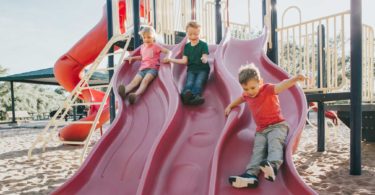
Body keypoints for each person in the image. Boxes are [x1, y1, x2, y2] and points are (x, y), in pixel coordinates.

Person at [224, 63, 306, 188]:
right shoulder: (246, 95)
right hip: (261, 130)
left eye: (252, 87)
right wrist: (231, 105)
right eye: (246, 89)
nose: (250, 92)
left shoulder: (268, 89)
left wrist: (294, 79)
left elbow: (282, 85)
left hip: (278, 125)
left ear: (260, 82)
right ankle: (251, 175)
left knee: (275, 143)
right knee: (258, 151)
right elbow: (241, 99)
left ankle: (272, 166)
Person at [118, 26, 171, 104]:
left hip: (152, 69)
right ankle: (124, 91)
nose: (146, 39)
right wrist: (133, 58)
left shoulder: (156, 46)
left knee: (145, 81)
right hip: (142, 69)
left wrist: (168, 57)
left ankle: (135, 94)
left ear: (153, 37)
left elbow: (168, 51)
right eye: (144, 37)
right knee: (134, 82)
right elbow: (142, 57)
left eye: (149, 37)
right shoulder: (142, 47)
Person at [164, 21, 210, 105]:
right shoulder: (187, 47)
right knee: (189, 82)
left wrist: (204, 59)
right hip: (191, 70)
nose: (193, 36)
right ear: (187, 34)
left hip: (202, 69)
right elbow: (184, 61)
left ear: (199, 33)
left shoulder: (203, 45)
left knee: (198, 82)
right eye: (190, 34)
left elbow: (205, 56)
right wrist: (171, 60)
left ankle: (195, 96)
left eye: (196, 34)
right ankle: (185, 95)